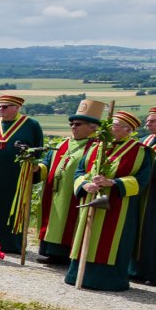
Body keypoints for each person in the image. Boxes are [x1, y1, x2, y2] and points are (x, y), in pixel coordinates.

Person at [65, 110, 152, 292]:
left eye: (114, 126)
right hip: (91, 198)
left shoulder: (140, 152)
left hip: (119, 206)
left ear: (127, 130)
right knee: (86, 236)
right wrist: (85, 184)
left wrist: (113, 182)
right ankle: (78, 275)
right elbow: (80, 171)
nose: (109, 128)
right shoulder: (96, 146)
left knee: (112, 242)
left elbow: (142, 180)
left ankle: (108, 280)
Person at [36, 100, 102, 265]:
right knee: (52, 220)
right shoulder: (63, 143)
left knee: (69, 221)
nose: (73, 126)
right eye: (71, 123)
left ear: (93, 127)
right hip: (54, 190)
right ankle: (50, 252)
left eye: (78, 124)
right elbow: (47, 164)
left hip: (74, 192)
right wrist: (37, 169)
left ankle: (66, 254)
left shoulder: (97, 146)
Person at [0, 93, 44, 256]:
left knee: (14, 205)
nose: (1, 109)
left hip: (18, 173)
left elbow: (38, 149)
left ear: (17, 108)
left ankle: (12, 243)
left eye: (5, 107)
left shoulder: (31, 125)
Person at [135, 107, 156, 285]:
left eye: (152, 121)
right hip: (141, 193)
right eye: (148, 120)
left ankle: (152, 273)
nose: (147, 123)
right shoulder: (144, 141)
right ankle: (135, 269)